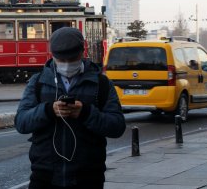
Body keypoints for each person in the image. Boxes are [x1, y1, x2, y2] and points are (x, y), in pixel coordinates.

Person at [15, 27, 126, 189]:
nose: (66, 65)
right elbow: (21, 123)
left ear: (82, 52)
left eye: (71, 59)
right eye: (61, 60)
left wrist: (86, 113)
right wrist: (48, 111)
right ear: (53, 55)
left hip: (88, 177)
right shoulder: (38, 82)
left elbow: (117, 126)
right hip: (45, 175)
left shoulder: (101, 84)